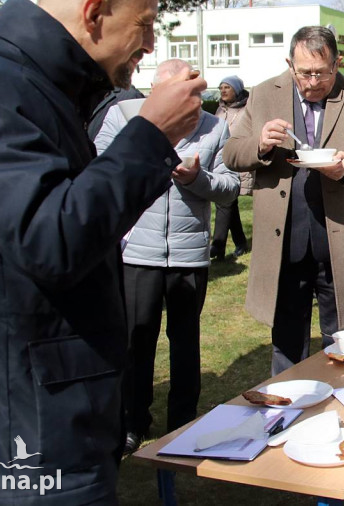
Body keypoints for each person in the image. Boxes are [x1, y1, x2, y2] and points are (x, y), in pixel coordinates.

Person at [0, 0, 206, 503]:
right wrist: (151, 136)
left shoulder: (34, 85)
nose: (151, 44)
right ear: (94, 13)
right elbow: (50, 238)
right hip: (12, 436)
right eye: (145, 25)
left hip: (45, 416)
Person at [223, 26, 344, 375]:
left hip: (339, 244)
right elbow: (231, 153)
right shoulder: (263, 94)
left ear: (337, 63)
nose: (313, 82)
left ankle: (343, 403)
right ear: (290, 64)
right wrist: (260, 144)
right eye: (304, 73)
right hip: (284, 245)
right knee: (287, 349)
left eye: (322, 72)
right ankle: (288, 405)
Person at [95, 58, 239, 454]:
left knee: (185, 341)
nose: (184, 101)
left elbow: (230, 188)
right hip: (137, 252)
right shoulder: (123, 117)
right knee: (136, 340)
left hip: (189, 255)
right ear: (156, 90)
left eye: (191, 93)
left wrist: (197, 179)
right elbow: (101, 172)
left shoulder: (214, 126)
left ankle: (184, 421)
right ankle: (132, 421)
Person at [210, 75, 253, 260]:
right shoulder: (220, 110)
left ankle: (218, 247)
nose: (223, 91)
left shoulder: (248, 109)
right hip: (221, 162)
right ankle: (239, 243)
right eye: (221, 88)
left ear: (237, 89)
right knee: (228, 202)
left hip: (239, 161)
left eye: (227, 87)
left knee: (226, 202)